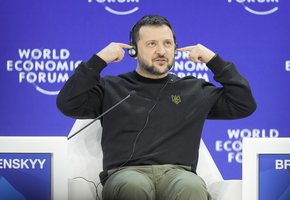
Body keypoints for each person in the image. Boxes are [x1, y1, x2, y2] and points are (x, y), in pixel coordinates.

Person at [57, 14, 256, 200]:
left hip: (178, 174)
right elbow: (68, 103)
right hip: (125, 174)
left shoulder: (193, 89)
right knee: (133, 186)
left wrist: (214, 61)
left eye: (167, 43)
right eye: (152, 44)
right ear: (134, 51)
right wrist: (98, 60)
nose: (161, 51)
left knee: (191, 187)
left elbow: (243, 104)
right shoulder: (111, 87)